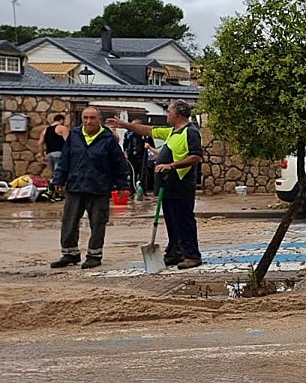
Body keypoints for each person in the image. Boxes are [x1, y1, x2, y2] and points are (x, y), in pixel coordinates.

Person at [107, 100, 203, 269]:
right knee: (172, 221)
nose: (166, 114)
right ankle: (175, 252)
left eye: (169, 112)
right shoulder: (173, 132)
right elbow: (147, 130)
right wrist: (124, 124)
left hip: (181, 184)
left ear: (177, 114)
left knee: (184, 220)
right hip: (168, 185)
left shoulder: (191, 132)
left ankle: (192, 254)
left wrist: (171, 165)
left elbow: (196, 156)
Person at [49, 106, 130, 269]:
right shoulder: (75, 135)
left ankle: (94, 255)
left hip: (99, 187)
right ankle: (69, 254)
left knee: (98, 222)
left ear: (99, 119)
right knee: (69, 222)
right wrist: (58, 179)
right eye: (85, 118)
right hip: (75, 185)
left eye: (92, 118)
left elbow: (119, 164)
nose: (89, 121)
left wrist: (122, 185)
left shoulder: (108, 138)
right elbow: (65, 158)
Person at [121, 116, 151, 198]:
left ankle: (143, 191)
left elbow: (152, 146)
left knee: (143, 175)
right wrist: (125, 153)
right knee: (131, 174)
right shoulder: (128, 134)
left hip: (142, 157)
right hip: (132, 157)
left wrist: (150, 148)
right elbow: (125, 145)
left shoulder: (146, 135)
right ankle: (131, 191)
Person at [39, 113, 69, 180]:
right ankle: (57, 188)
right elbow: (67, 141)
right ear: (61, 120)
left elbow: (40, 143)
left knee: (53, 173)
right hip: (59, 153)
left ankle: (53, 187)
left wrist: (42, 155)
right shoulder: (62, 128)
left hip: (49, 154)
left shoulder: (45, 130)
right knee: (58, 173)